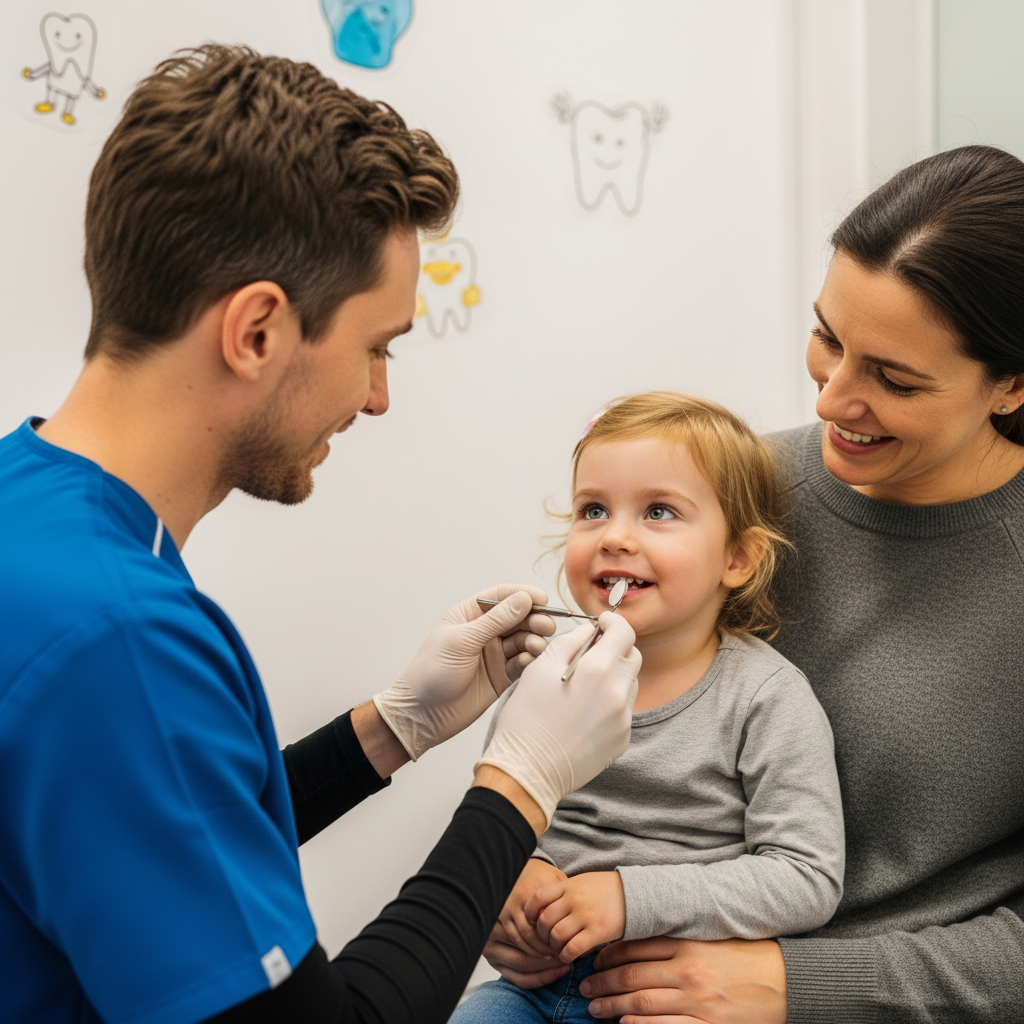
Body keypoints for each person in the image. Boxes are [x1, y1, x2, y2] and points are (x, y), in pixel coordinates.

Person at [0, 45, 643, 1024]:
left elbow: (160, 842)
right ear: (257, 330)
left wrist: (389, 730)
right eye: (375, 347)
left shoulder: (29, 506)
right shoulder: (120, 638)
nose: (378, 398)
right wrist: (522, 781)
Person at [554, 145, 1024, 1022]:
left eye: (893, 378)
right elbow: (591, 747)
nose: (831, 399)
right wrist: (521, 882)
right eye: (828, 338)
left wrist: (798, 986)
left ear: (1010, 384)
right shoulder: (726, 494)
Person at [454, 392, 845, 1023]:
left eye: (658, 511)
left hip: (673, 996)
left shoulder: (765, 698)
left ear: (738, 558)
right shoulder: (547, 677)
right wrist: (513, 873)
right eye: (593, 510)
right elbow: (504, 814)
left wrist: (628, 897)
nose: (614, 536)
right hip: (530, 989)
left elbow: (805, 877)